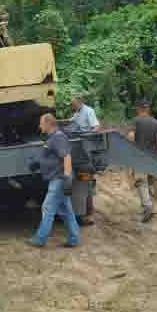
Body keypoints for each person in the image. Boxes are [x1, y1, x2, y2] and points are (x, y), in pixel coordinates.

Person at [28, 114, 81, 248]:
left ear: (48, 124)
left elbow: (66, 157)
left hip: (59, 179)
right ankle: (74, 239)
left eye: (41, 123)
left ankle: (40, 239)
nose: (40, 126)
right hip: (57, 178)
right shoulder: (52, 138)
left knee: (47, 207)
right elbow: (52, 157)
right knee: (66, 211)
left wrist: (68, 177)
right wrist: (38, 163)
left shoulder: (58, 137)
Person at [63, 96, 100, 225]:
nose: (72, 106)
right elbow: (70, 122)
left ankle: (88, 214)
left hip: (85, 149)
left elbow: (96, 127)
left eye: (73, 104)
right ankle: (80, 213)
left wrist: (87, 137)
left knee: (86, 181)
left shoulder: (88, 111)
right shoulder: (77, 113)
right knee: (82, 182)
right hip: (77, 150)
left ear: (80, 102)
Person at [128, 99, 157, 223]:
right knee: (150, 182)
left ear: (139, 109)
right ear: (148, 109)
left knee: (141, 182)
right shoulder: (156, 122)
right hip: (153, 158)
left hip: (140, 157)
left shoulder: (136, 121)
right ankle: (152, 205)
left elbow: (131, 137)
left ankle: (148, 207)